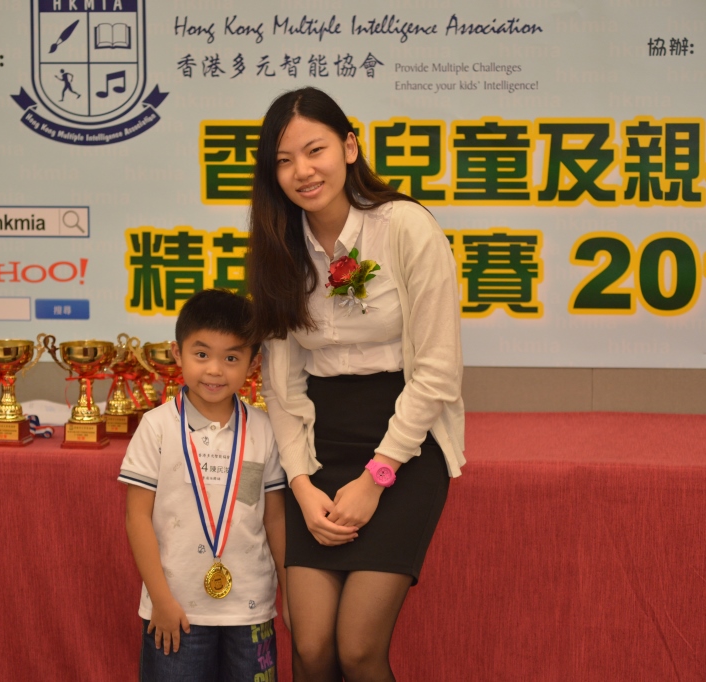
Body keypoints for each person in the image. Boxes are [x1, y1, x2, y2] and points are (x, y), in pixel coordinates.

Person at [247, 87, 465, 682]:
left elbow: (438, 371)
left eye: (314, 150)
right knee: (312, 646)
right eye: (284, 161)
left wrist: (376, 478)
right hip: (318, 447)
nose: (302, 171)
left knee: (359, 651)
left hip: (404, 448)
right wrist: (300, 484)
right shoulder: (278, 245)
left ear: (349, 146)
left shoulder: (406, 227)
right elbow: (282, 383)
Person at [118, 288, 288, 682]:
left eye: (231, 358)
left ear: (253, 362)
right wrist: (161, 600)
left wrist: (291, 594)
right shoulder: (157, 426)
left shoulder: (263, 429)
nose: (215, 370)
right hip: (175, 611)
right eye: (201, 354)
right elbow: (137, 517)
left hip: (251, 609)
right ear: (177, 354)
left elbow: (276, 519)